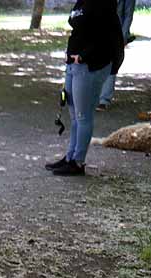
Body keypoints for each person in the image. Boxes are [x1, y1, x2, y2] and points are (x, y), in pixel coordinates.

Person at [45, 0, 124, 176]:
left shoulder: (104, 4)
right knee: (73, 114)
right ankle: (70, 157)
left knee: (83, 116)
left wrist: (83, 57)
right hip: (74, 65)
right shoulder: (83, 1)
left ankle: (78, 162)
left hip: (90, 66)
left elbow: (105, 38)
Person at [96, 0, 133, 110]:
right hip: (97, 31)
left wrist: (123, 36)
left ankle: (104, 99)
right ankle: (93, 97)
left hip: (116, 33)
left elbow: (128, 15)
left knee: (111, 65)